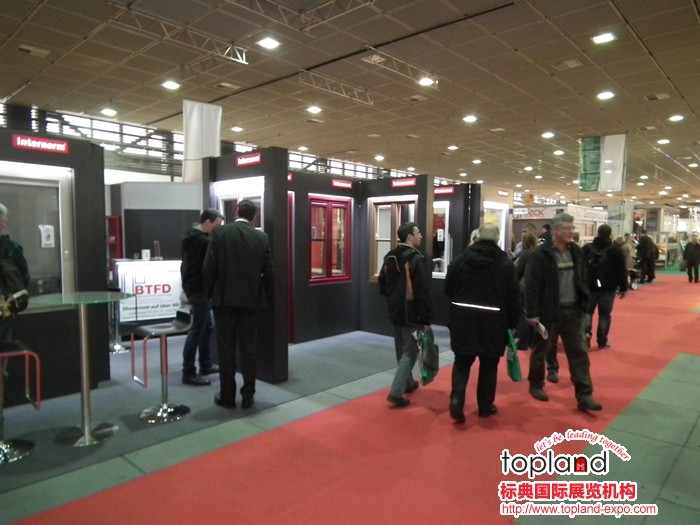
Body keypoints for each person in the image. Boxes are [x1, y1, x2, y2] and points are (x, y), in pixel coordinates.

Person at [524, 212, 602, 412]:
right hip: (547, 313)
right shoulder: (540, 254)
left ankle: (584, 395)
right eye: (567, 228)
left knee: (579, 353)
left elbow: (582, 277)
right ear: (555, 230)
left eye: (572, 228)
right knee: (541, 350)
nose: (571, 232)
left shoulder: (576, 251)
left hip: (573, 312)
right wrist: (532, 313)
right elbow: (531, 286)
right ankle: (536, 384)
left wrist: (584, 299)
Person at [444, 223, 520, 423]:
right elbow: (514, 298)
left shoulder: (460, 260)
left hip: (463, 318)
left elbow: (448, 288)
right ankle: (485, 407)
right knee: (489, 365)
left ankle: (457, 399)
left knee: (462, 361)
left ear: (477, 237)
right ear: (497, 239)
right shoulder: (505, 265)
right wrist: (512, 324)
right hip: (493, 321)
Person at [203, 200, 274, 409]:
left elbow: (209, 268)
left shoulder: (221, 233)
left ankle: (227, 397)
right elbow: (269, 272)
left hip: (224, 301)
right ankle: (248, 396)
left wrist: (210, 294)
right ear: (253, 217)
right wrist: (262, 295)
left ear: (236, 212)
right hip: (251, 302)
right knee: (249, 349)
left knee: (226, 349)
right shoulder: (261, 237)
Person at [378, 222, 433, 407]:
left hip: (395, 310)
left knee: (400, 348)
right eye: (418, 232)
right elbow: (422, 291)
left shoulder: (390, 256)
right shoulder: (415, 258)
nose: (421, 235)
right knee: (410, 351)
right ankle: (396, 392)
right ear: (409, 237)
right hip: (412, 312)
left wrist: (393, 299)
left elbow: (382, 284)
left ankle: (408, 382)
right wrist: (426, 318)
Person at [180, 208, 224, 386]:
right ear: (207, 222)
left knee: (206, 327)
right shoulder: (203, 242)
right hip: (199, 290)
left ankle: (205, 364)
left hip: (194, 288)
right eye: (217, 225)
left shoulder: (191, 238)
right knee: (197, 331)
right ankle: (188, 372)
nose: (218, 229)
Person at [582, 224, 628, 350]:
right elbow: (621, 270)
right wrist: (623, 287)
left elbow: (580, 266)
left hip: (589, 286)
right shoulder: (616, 250)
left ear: (598, 232)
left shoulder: (587, 248)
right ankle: (602, 341)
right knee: (604, 315)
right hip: (608, 287)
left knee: (587, 312)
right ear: (610, 234)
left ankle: (585, 335)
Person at [0, 203, 30, 343]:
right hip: (5, 307)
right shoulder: (11, 247)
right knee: (3, 347)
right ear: (3, 224)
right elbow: (24, 278)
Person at [514, 231, 538, 350]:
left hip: (524, 286)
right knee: (532, 313)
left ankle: (523, 341)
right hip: (534, 287)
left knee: (522, 314)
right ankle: (532, 341)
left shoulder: (525, 254)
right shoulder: (536, 254)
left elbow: (518, 270)